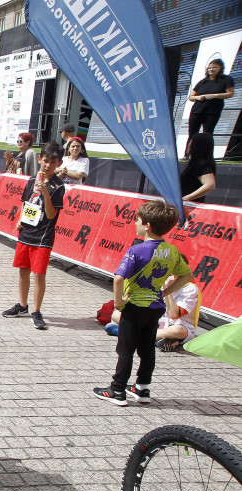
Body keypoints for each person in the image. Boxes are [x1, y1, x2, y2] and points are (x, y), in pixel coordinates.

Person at [93, 200, 192, 405]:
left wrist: (119, 301)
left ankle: (117, 389)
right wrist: (164, 292)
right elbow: (187, 275)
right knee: (147, 348)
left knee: (125, 349)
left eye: (137, 220)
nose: (135, 223)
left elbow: (119, 278)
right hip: (155, 307)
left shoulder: (136, 250)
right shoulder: (172, 251)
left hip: (135, 306)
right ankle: (142, 388)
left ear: (147, 225)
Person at [1, 142, 65, 330]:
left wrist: (45, 192)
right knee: (23, 270)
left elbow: (52, 214)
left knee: (39, 274)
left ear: (58, 163)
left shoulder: (58, 186)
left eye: (53, 162)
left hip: (43, 237)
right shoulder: (31, 181)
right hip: (26, 233)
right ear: (39, 159)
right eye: (45, 161)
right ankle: (22, 305)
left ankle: (36, 311)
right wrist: (20, 218)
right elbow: (24, 202)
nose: (48, 165)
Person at [186, 58, 235, 157]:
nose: (211, 69)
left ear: (220, 68)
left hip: (212, 111)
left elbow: (230, 94)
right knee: (192, 133)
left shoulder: (226, 79)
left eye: (214, 67)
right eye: (210, 68)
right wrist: (199, 97)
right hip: (197, 110)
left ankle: (206, 156)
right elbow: (191, 97)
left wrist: (215, 95)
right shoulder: (202, 82)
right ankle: (188, 154)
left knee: (207, 134)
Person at [181, 133, 216, 203]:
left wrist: (186, 198)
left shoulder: (202, 165)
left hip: (190, 207)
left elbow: (210, 185)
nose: (188, 144)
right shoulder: (196, 164)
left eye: (190, 142)